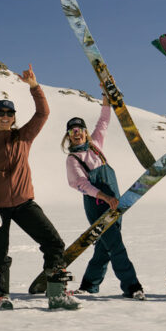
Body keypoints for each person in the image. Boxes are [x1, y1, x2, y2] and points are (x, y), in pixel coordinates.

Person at [0, 65, 76, 310]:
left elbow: (43, 114)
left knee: (54, 243)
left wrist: (35, 87)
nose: (5, 116)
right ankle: (1, 295)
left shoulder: (23, 137)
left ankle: (57, 293)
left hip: (25, 204)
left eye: (9, 113)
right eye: (0, 113)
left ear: (14, 117)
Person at [62, 91, 145, 300]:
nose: (77, 133)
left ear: (85, 132)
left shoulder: (95, 146)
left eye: (79, 129)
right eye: (72, 131)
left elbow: (103, 123)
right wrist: (104, 197)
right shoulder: (73, 159)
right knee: (115, 245)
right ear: (68, 136)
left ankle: (89, 284)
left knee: (105, 247)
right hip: (98, 205)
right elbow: (80, 184)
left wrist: (106, 101)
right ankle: (132, 286)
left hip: (114, 200)